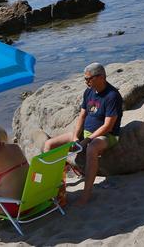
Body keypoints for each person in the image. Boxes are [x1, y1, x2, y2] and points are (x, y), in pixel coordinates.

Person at [43, 62, 123, 205]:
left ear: (100, 77)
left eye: (88, 79)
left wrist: (87, 140)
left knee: (92, 148)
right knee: (49, 144)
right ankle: (53, 189)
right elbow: (82, 116)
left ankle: (86, 194)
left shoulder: (112, 96)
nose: (86, 82)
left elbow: (108, 126)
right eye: (85, 79)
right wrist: (75, 136)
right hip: (86, 133)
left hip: (107, 135)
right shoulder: (89, 92)